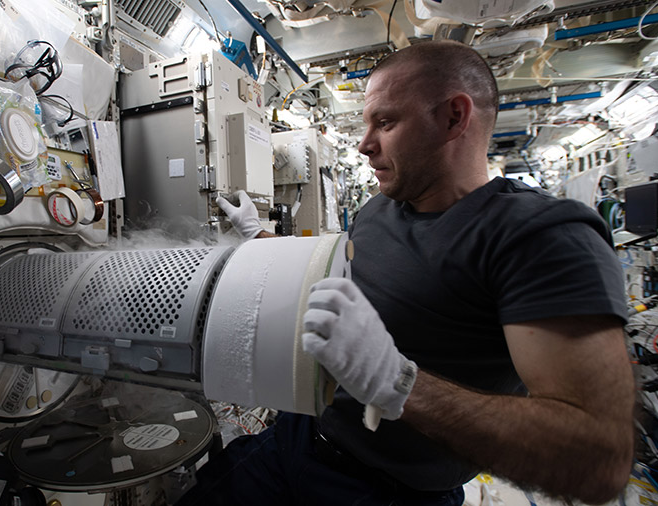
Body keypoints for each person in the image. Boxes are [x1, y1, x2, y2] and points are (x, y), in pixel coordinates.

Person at [177, 40, 635, 506]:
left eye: (386, 121)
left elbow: (597, 459)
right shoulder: (381, 208)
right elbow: (337, 275)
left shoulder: (540, 236)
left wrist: (398, 383)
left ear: (455, 117)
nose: (363, 143)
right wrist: (258, 235)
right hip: (296, 442)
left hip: (390, 492)